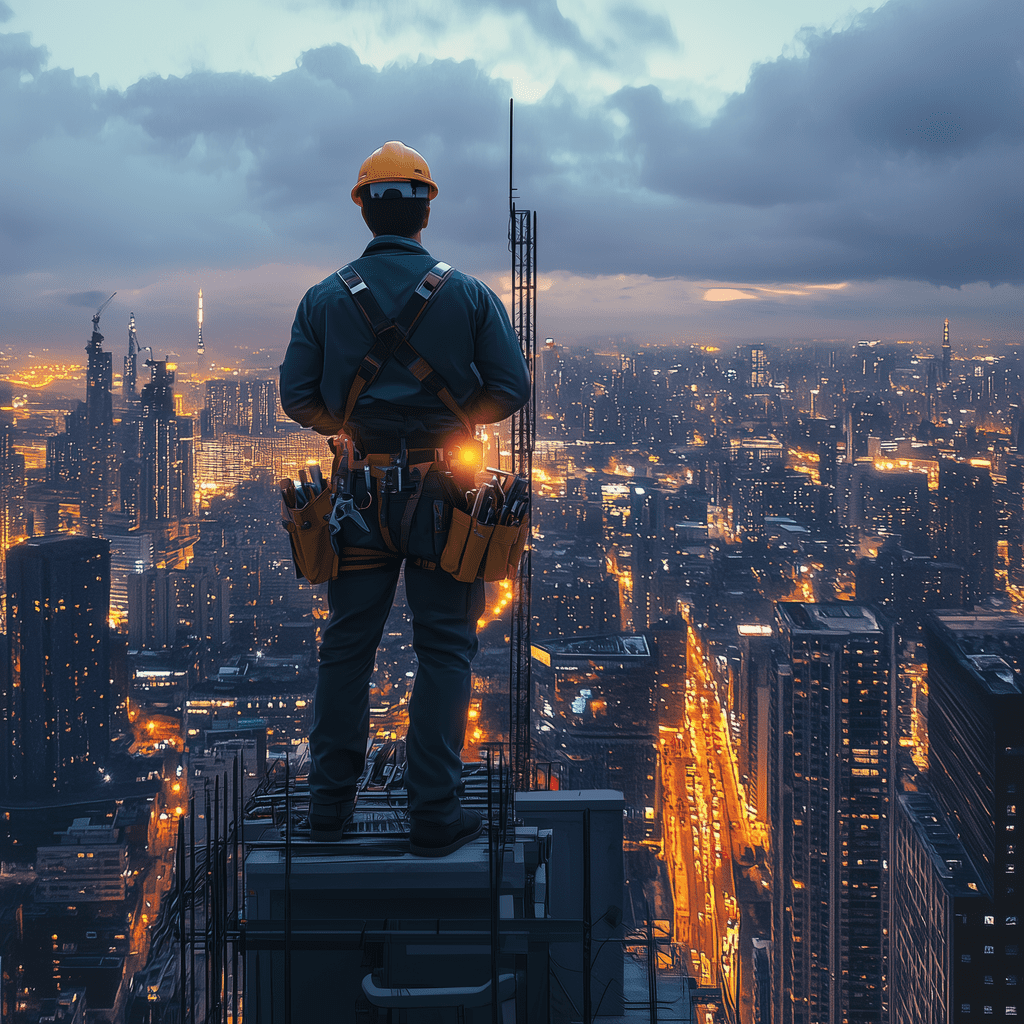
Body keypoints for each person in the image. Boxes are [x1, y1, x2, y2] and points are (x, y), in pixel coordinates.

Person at [279, 141, 531, 856]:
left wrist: (348, 427)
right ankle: (433, 813)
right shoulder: (470, 294)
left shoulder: (325, 299)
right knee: (445, 648)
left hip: (357, 498)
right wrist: (453, 419)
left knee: (347, 648)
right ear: (427, 209)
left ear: (363, 207)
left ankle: (328, 809)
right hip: (445, 499)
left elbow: (298, 397)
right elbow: (511, 388)